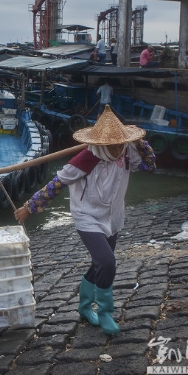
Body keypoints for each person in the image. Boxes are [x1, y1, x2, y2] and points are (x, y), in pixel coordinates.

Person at [14, 105, 156, 335]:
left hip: (113, 215)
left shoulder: (128, 150)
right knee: (108, 262)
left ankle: (83, 307)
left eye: (121, 142)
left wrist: (139, 141)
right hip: (87, 215)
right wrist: (29, 208)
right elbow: (56, 185)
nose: (118, 148)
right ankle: (105, 312)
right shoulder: (87, 158)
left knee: (100, 263)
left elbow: (150, 166)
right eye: (113, 144)